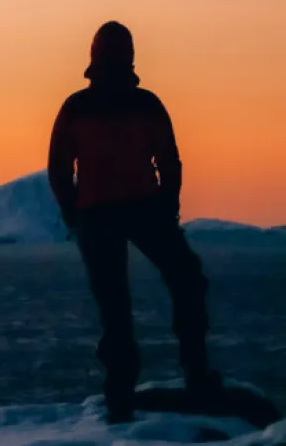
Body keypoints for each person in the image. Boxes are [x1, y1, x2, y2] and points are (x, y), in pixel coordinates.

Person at [47, 21, 220, 423]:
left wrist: (75, 212)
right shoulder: (134, 103)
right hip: (129, 211)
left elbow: (59, 168)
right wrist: (165, 206)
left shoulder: (88, 105)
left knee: (124, 304)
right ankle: (187, 377)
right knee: (168, 286)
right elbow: (169, 161)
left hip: (116, 212)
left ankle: (127, 396)